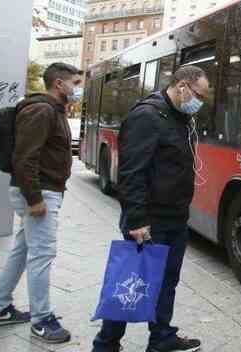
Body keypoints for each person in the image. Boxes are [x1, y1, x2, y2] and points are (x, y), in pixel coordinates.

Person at [92, 66, 211, 352]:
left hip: (174, 218)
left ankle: (162, 337)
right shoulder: (147, 116)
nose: (200, 103)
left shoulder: (180, 117)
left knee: (167, 280)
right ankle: (106, 344)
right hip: (149, 221)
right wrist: (137, 220)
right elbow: (132, 172)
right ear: (182, 86)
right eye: (199, 95)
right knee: (131, 282)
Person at [0, 62, 83, 344]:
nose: (78, 89)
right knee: (41, 255)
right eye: (75, 83)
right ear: (59, 84)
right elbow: (25, 158)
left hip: (43, 191)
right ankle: (41, 320)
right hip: (39, 193)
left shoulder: (54, 110)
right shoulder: (42, 110)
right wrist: (34, 199)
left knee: (23, 251)